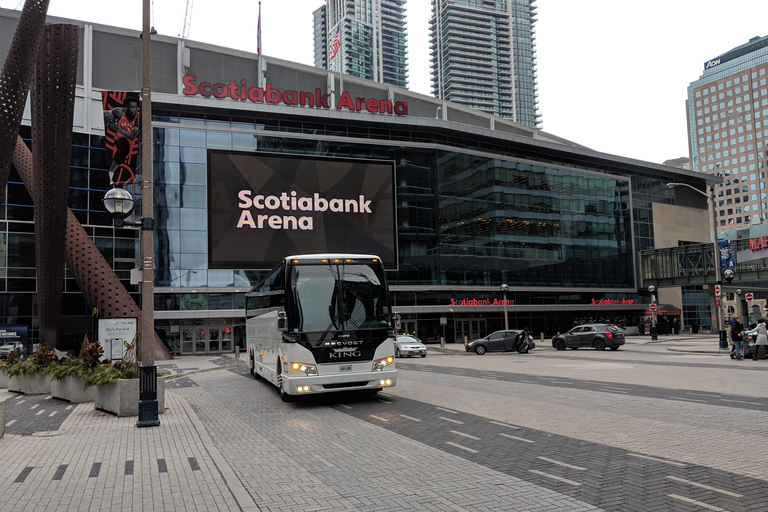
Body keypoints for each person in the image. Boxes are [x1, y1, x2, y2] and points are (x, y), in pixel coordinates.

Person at [103, 97, 140, 186]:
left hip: (129, 140)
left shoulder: (138, 117)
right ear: (126, 108)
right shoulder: (119, 112)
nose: (134, 110)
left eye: (135, 107)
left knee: (124, 150)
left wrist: (118, 128)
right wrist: (107, 122)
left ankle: (112, 170)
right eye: (132, 107)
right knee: (124, 147)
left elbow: (132, 137)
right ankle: (111, 171)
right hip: (119, 138)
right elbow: (107, 113)